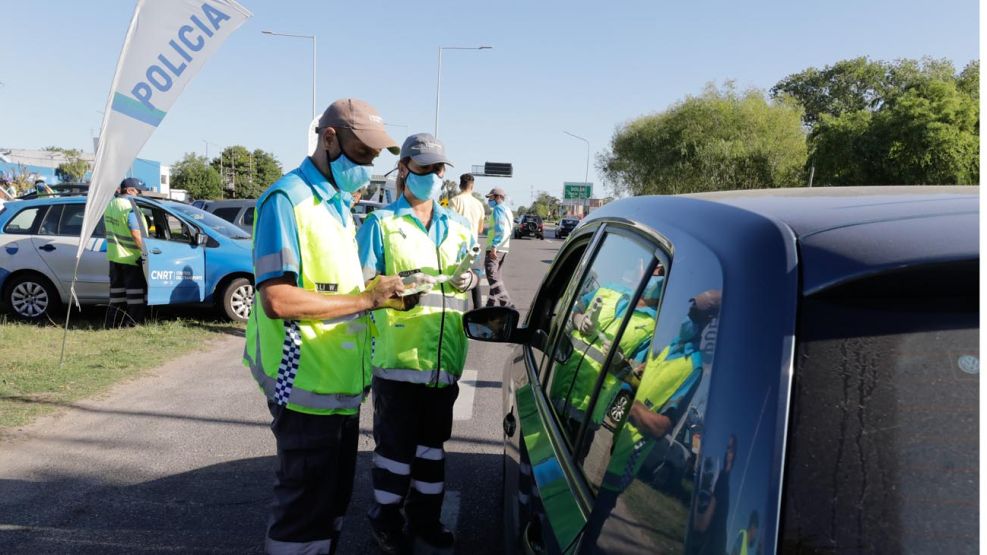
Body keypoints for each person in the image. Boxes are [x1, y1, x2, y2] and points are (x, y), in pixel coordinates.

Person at [242, 98, 408, 555]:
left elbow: (331, 285)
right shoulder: (287, 200)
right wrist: (365, 299)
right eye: (361, 155)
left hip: (339, 388)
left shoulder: (334, 203)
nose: (368, 166)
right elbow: (277, 299)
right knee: (302, 515)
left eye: (374, 159)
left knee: (330, 508)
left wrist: (373, 289)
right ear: (329, 138)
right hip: (303, 387)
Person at [356, 133, 478, 554]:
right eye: (426, 167)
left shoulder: (459, 227)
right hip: (398, 358)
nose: (435, 175)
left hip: (444, 360)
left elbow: (467, 279)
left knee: (431, 449)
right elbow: (361, 287)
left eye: (440, 168)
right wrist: (388, 287)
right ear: (404, 168)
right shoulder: (381, 225)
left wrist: (472, 279)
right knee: (395, 452)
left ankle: (425, 521)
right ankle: (385, 520)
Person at [102, 177, 147, 328]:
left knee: (116, 294)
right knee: (134, 294)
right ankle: (133, 323)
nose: (140, 194)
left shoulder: (111, 205)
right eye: (138, 191)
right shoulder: (129, 206)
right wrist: (146, 252)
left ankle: (113, 322)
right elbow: (135, 233)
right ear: (129, 190)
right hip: (130, 257)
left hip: (115, 257)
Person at [447, 174, 486, 309]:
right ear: (472, 186)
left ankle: (456, 308)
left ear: (460, 185)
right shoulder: (479, 205)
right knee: (475, 279)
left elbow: (450, 225)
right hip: (473, 246)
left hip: (457, 247)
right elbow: (481, 229)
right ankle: (478, 310)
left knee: (457, 279)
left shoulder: (455, 201)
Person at [484, 187, 514, 308]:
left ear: (497, 197)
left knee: (492, 277)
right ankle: (490, 305)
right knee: (496, 277)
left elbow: (500, 229)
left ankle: (507, 305)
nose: (489, 200)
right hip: (504, 248)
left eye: (490, 197)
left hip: (496, 248)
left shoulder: (498, 209)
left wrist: (494, 246)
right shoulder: (507, 210)